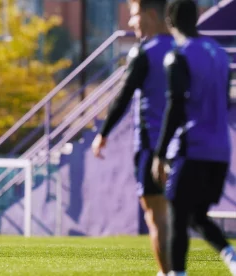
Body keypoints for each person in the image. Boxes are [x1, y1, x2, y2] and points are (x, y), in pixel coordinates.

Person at [151, 1, 236, 275]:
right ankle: (231, 256)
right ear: (198, 17)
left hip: (192, 147)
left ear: (169, 21)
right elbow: (225, 101)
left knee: (177, 213)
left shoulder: (178, 55)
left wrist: (160, 153)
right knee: (196, 215)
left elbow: (175, 105)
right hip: (221, 149)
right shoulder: (220, 55)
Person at [91, 0, 173, 274]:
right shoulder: (185, 48)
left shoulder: (145, 52)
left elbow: (124, 96)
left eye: (134, 15)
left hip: (152, 144)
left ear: (151, 14)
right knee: (181, 214)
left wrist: (103, 133)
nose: (130, 22)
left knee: (156, 216)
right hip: (188, 144)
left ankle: (169, 273)